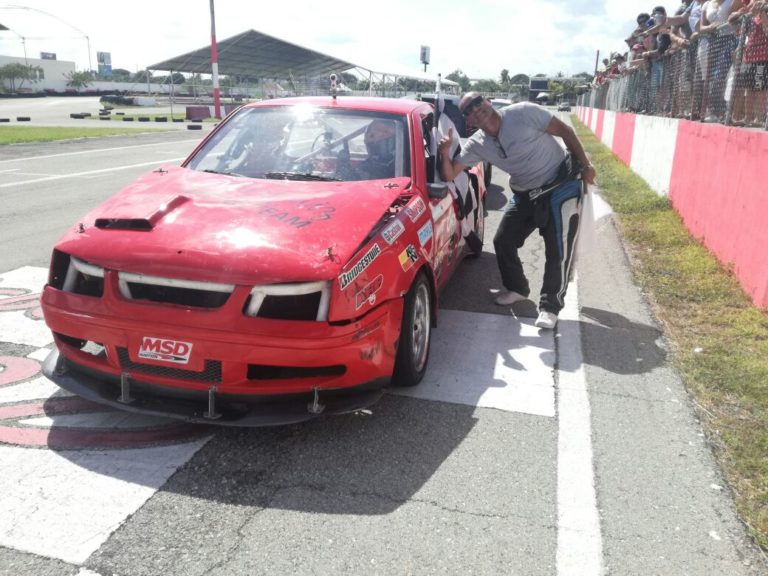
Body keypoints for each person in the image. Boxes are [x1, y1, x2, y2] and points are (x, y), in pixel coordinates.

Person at [437, 94, 596, 330]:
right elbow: (449, 174)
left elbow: (565, 131)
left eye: (478, 101)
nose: (477, 108)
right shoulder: (478, 144)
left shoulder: (523, 112)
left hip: (560, 185)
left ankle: (550, 307)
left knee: (557, 249)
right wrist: (444, 152)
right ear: (468, 120)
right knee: (503, 240)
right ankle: (518, 288)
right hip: (526, 195)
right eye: (469, 109)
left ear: (488, 102)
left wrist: (586, 165)